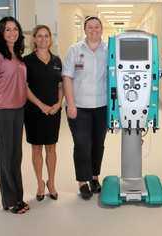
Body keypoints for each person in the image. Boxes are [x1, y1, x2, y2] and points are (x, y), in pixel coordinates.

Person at [0, 17, 29, 214]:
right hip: (2, 110)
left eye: (15, 29)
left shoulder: (18, 55)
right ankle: (10, 201)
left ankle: (18, 196)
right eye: (7, 30)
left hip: (18, 109)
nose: (12, 33)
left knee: (16, 155)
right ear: (1, 33)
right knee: (5, 155)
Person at [62, 16, 107, 200]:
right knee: (82, 144)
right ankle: (82, 181)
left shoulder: (108, 49)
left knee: (98, 144)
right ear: (85, 29)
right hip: (79, 106)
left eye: (97, 27)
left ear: (102, 29)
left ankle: (95, 177)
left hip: (102, 105)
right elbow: (67, 77)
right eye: (90, 27)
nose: (94, 30)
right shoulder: (75, 50)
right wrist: (70, 104)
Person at [24, 25, 63, 201]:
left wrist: (58, 104)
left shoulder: (57, 61)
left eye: (46, 36)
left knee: (52, 148)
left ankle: (51, 183)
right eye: (39, 36)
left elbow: (61, 85)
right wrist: (41, 105)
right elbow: (24, 87)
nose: (43, 39)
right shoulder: (27, 61)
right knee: (37, 148)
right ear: (33, 39)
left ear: (50, 39)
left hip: (54, 111)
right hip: (34, 111)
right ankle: (40, 183)